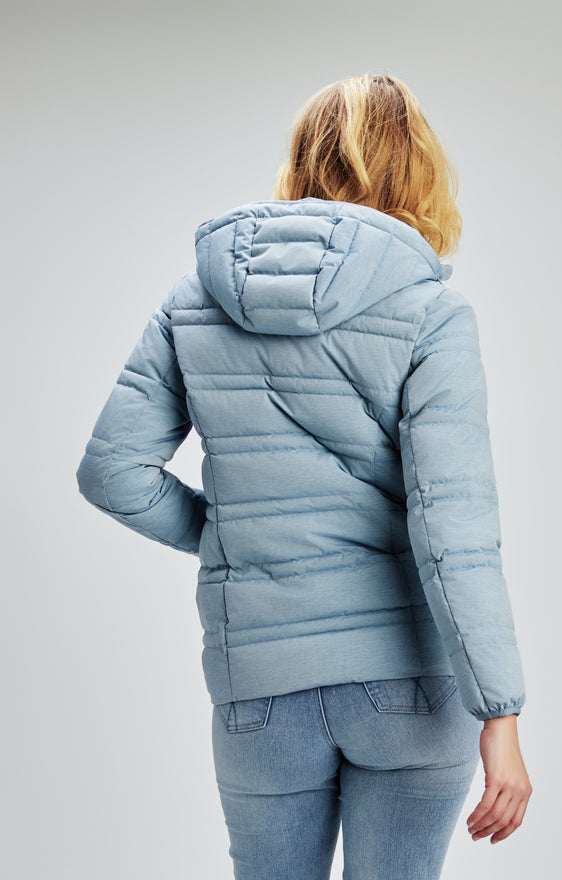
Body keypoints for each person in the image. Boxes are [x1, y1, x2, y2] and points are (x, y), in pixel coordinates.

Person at [76, 72, 532, 879]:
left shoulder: (195, 299)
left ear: (302, 162)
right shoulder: (431, 313)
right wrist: (500, 711)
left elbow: (113, 471)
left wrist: (229, 535)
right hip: (407, 687)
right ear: (418, 172)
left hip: (259, 690)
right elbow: (451, 527)